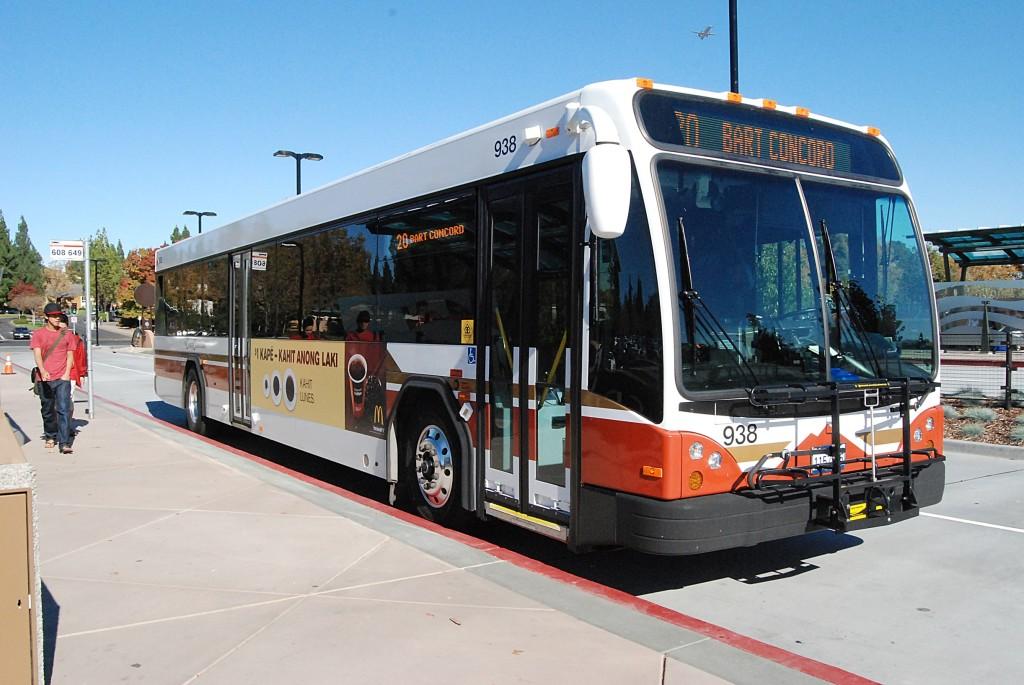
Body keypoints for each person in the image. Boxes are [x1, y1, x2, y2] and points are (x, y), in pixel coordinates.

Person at [30, 303, 79, 454]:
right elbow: (37, 355)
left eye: (59, 315)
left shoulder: (66, 334)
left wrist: (66, 374)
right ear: (46, 317)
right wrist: (43, 370)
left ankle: (64, 443)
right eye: (54, 316)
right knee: (48, 410)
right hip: (44, 378)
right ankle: (50, 435)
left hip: (62, 378)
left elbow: (70, 355)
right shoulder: (39, 334)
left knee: (64, 410)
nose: (57, 318)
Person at [58, 313, 88, 423]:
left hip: (70, 374)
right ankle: (59, 424)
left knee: (67, 399)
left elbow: (81, 357)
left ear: (66, 325)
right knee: (55, 401)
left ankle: (66, 424)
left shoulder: (75, 340)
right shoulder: (49, 337)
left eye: (61, 326)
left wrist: (82, 374)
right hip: (53, 374)